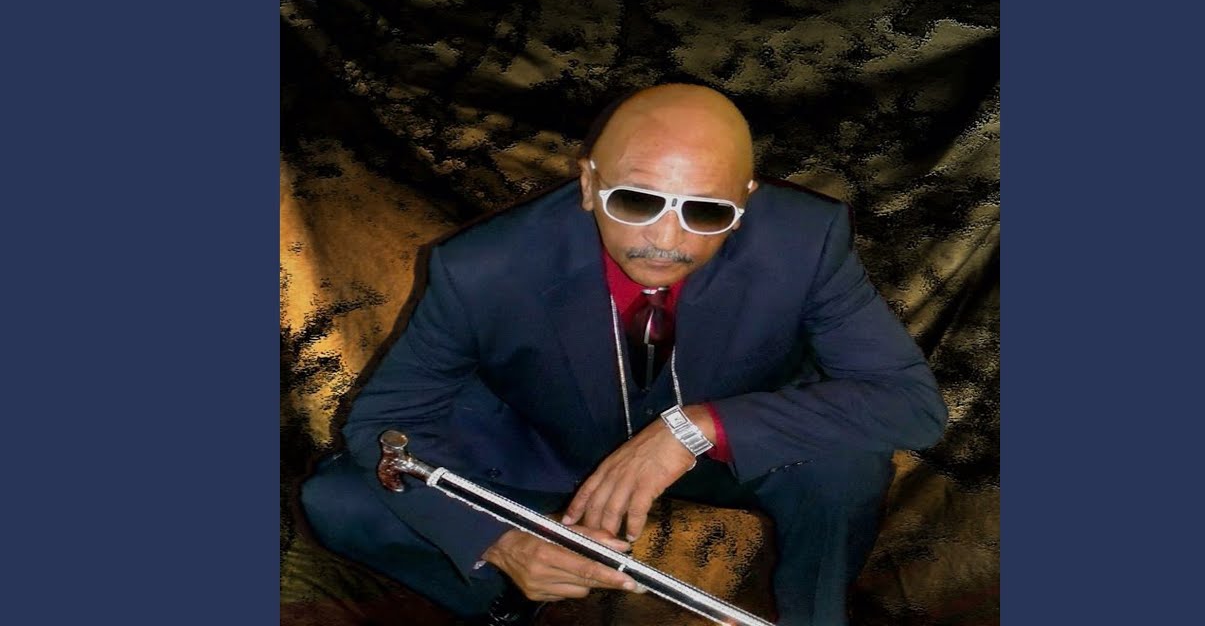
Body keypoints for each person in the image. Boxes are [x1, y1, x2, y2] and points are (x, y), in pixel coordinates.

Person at [301, 84, 948, 625]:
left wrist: (697, 429)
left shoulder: (805, 242)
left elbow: (911, 404)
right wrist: (497, 542)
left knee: (847, 462)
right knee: (338, 498)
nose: (667, 240)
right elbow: (381, 422)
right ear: (588, 184)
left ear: (745, 201)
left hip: (728, 451)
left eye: (706, 212)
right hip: (550, 450)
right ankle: (510, 602)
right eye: (636, 201)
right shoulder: (483, 267)